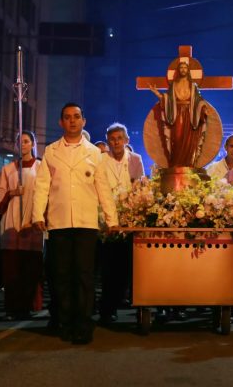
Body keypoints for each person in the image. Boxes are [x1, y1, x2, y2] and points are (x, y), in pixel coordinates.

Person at [32, 103, 116, 344]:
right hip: (58, 222)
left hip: (86, 222)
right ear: (61, 122)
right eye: (67, 117)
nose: (72, 121)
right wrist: (38, 214)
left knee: (84, 276)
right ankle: (65, 322)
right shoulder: (51, 151)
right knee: (61, 275)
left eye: (76, 117)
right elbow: (42, 186)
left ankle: (84, 324)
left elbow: (103, 188)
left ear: (83, 121)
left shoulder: (95, 153)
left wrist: (112, 219)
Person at [0, 131, 44, 320]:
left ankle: (27, 306)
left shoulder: (41, 168)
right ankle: (12, 308)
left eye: (27, 141)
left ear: (33, 144)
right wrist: (10, 193)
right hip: (12, 221)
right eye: (19, 141)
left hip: (32, 222)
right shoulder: (8, 169)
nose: (23, 145)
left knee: (30, 269)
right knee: (12, 271)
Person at [94, 123, 145, 324]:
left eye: (119, 138)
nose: (115, 142)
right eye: (112, 139)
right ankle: (107, 309)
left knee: (126, 266)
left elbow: (139, 187)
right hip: (106, 219)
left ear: (126, 140)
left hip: (128, 219)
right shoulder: (100, 160)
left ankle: (123, 301)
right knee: (107, 268)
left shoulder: (135, 159)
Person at [149, 59, 210, 167]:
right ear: (178, 70)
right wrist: (157, 93)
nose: (183, 69)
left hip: (190, 115)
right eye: (181, 68)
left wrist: (203, 108)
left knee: (189, 142)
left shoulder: (193, 86)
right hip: (176, 115)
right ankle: (176, 164)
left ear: (188, 70)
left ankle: (188, 164)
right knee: (176, 138)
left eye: (185, 68)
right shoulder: (174, 85)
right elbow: (167, 99)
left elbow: (198, 100)